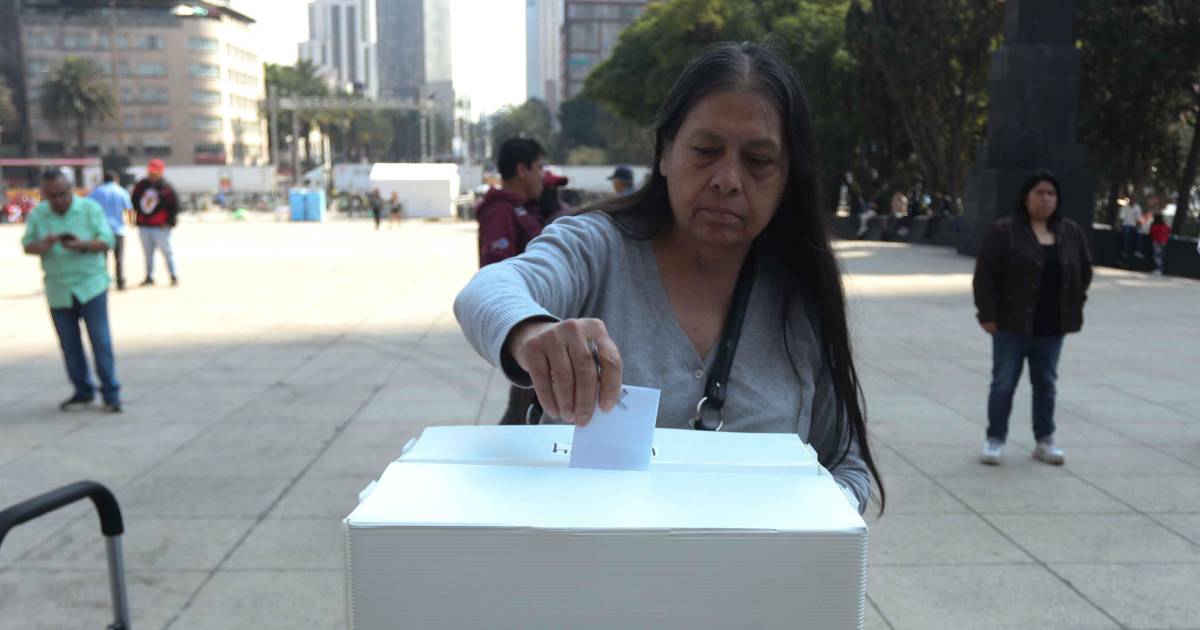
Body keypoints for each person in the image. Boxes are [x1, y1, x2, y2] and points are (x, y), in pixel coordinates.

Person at [455, 42, 882, 513]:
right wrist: (531, 331)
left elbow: (845, 465)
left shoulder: (800, 297)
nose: (727, 179)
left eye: (758, 161)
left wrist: (816, 522)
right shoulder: (595, 249)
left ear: (787, 181)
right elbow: (488, 290)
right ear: (665, 153)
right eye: (706, 151)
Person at [973, 170, 1093, 466]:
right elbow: (984, 275)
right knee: (1003, 384)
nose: (1045, 199)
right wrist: (987, 314)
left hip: (1052, 327)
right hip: (1011, 325)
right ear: (1025, 197)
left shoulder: (1070, 232)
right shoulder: (1004, 231)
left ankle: (1044, 439)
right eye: (1039, 192)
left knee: (1046, 385)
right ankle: (995, 438)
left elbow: (1084, 271)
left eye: (1051, 194)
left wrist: (1076, 303)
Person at [21, 169, 122, 412]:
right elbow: (27, 245)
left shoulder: (89, 209)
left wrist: (83, 244)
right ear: (44, 195)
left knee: (100, 341)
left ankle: (111, 393)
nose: (58, 200)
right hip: (58, 288)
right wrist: (43, 245)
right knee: (69, 344)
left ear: (71, 189)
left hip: (91, 285)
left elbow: (107, 240)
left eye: (62, 194)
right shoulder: (39, 214)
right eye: (52, 196)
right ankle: (83, 390)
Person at [475, 137, 546, 268]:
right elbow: (497, 270)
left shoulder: (522, 209)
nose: (543, 175)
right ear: (522, 170)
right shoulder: (500, 213)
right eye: (540, 167)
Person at [131, 158, 180, 286]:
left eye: (154, 173)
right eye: (150, 172)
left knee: (167, 252)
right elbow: (133, 202)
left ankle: (173, 275)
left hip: (161, 227)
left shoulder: (167, 188)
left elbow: (174, 207)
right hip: (144, 226)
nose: (152, 175)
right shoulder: (141, 185)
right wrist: (134, 220)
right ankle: (149, 276)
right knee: (148, 253)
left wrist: (169, 222)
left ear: (160, 172)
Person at [88, 171, 132, 291]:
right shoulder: (121, 191)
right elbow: (129, 209)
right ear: (116, 179)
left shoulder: (96, 192)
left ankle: (104, 282)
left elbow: (88, 207)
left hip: (101, 230)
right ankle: (120, 282)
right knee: (119, 258)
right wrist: (131, 223)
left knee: (102, 259)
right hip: (118, 229)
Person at [1119, 196, 1143, 264]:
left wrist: (1139, 226)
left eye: (1133, 200)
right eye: (1131, 200)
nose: (1132, 201)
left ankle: (1138, 251)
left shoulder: (1137, 207)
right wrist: (1120, 225)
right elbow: (1121, 217)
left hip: (1134, 225)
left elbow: (1138, 218)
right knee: (1127, 233)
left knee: (1139, 233)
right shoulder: (1125, 206)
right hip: (1126, 224)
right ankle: (1124, 251)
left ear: (1135, 200)